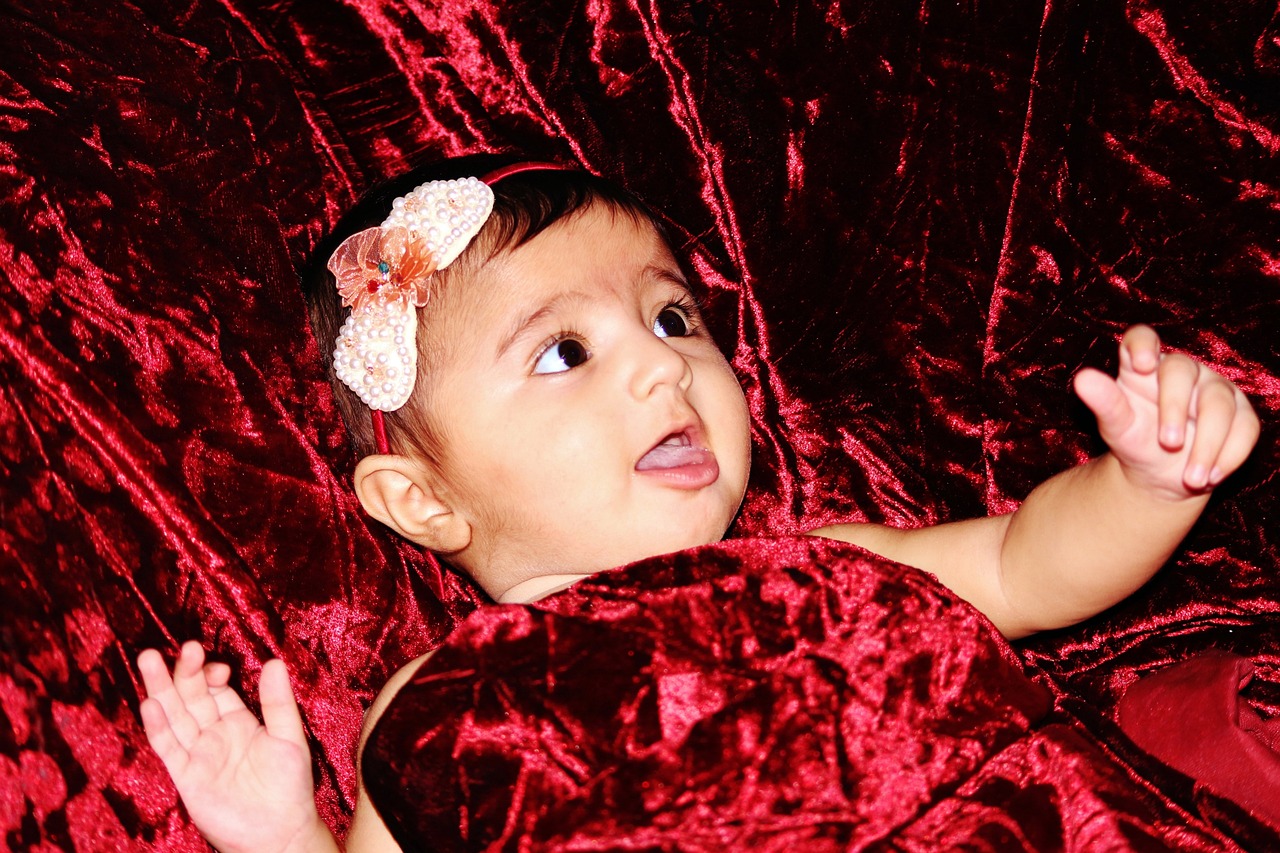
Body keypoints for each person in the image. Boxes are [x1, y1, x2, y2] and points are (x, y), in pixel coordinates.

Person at [136, 157, 1260, 853]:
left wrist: (1145, 482)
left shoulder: (820, 567)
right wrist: (283, 834)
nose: (662, 366)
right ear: (422, 500)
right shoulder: (436, 702)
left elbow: (1025, 565)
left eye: (672, 319)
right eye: (564, 351)